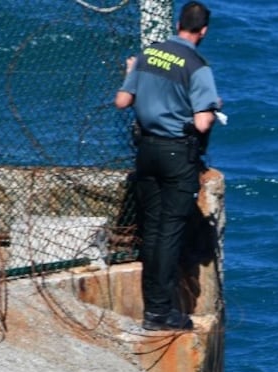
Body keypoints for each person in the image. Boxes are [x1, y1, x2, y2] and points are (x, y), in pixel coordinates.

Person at [114, 1, 222, 331]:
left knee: (151, 229)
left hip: (146, 151)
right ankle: (159, 312)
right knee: (169, 232)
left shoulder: (149, 54)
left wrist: (131, 74)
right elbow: (202, 123)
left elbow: (122, 102)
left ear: (177, 24)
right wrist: (213, 106)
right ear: (203, 31)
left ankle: (153, 308)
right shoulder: (197, 65)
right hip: (177, 155)